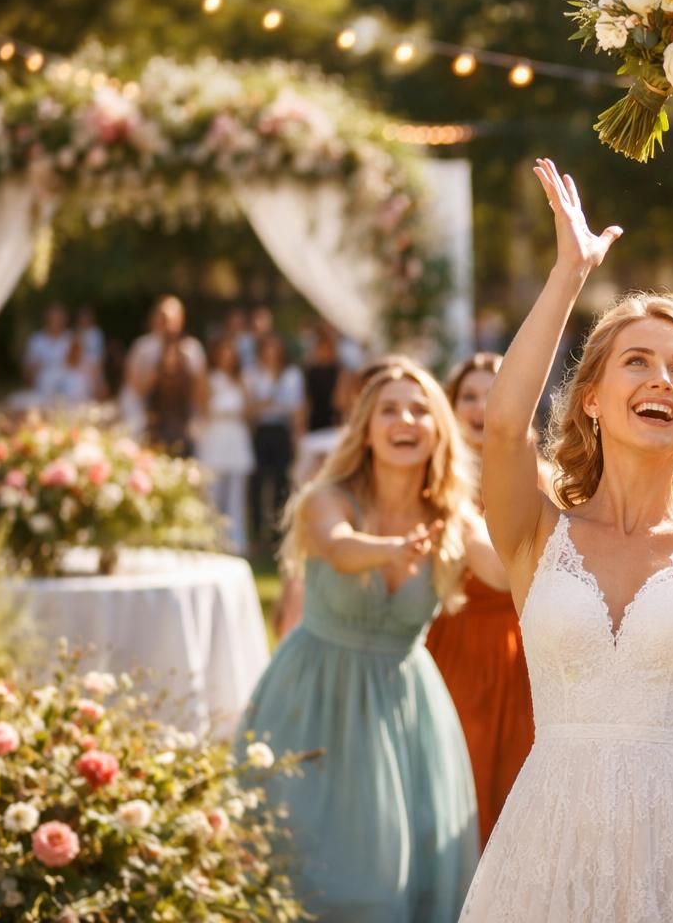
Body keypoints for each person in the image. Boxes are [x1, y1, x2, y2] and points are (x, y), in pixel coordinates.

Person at [458, 159, 673, 919]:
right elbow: (505, 422)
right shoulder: (535, 535)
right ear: (591, 398)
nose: (663, 380)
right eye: (639, 361)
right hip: (549, 845)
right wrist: (568, 274)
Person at [240, 358, 483, 921]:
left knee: (398, 872)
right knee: (309, 860)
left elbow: (499, 568)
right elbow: (339, 545)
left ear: (438, 428)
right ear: (367, 427)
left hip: (405, 709)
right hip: (315, 697)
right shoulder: (328, 496)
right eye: (390, 409)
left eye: (421, 410)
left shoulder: (452, 515)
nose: (406, 420)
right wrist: (390, 551)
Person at [424, 352, 537, 851]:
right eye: (468, 396)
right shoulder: (431, 485)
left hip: (528, 653)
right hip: (457, 648)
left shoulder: (544, 478)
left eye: (493, 393)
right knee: (459, 788)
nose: (481, 406)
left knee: (520, 788)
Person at [245, 335, 306, 556]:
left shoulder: (291, 375)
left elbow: (297, 408)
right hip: (261, 433)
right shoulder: (253, 374)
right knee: (258, 483)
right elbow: (250, 408)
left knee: (282, 482)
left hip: (281, 432)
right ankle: (258, 534)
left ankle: (278, 535)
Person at [197, 338, 256, 554]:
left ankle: (237, 540)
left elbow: (250, 412)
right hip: (216, 435)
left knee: (237, 493)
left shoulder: (241, 379)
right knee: (214, 491)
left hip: (236, 436)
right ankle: (212, 538)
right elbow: (202, 408)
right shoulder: (209, 379)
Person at [124, 296, 206, 438]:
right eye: (164, 317)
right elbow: (134, 389)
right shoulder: (142, 347)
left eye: (174, 317)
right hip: (149, 426)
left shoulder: (192, 349)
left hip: (183, 427)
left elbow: (201, 393)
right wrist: (161, 367)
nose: (169, 323)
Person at [23, 303, 72, 393]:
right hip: (44, 380)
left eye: (59, 318)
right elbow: (29, 367)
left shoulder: (71, 338)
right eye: (53, 318)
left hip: (66, 379)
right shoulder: (36, 340)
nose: (56, 321)